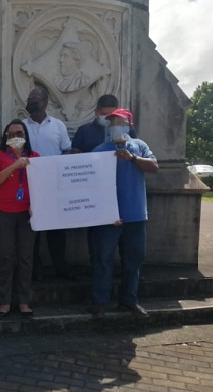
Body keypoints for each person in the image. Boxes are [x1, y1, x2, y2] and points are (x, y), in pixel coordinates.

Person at [88, 109, 159, 319]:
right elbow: (91, 185)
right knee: (103, 259)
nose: (114, 126)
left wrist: (132, 158)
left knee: (134, 260)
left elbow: (155, 166)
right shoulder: (100, 149)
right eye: (111, 123)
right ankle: (100, 301)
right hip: (109, 216)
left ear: (129, 126)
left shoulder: (140, 146)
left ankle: (129, 300)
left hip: (136, 214)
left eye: (119, 122)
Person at [0, 119, 40, 317]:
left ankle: (24, 301)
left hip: (27, 214)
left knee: (26, 257)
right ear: (6, 138)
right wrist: (14, 166)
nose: (16, 137)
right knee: (6, 256)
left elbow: (43, 187)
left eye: (20, 133)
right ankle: (4, 301)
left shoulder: (35, 157)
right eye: (11, 134)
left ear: (26, 136)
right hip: (3, 213)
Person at [22, 87, 75, 280]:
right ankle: (35, 268)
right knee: (31, 228)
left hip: (54, 185)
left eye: (34, 99)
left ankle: (60, 266)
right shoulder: (21, 126)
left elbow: (66, 150)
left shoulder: (58, 126)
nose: (31, 102)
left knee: (56, 229)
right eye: (29, 98)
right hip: (28, 185)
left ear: (45, 102)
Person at [71, 95, 138, 154]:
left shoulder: (128, 130)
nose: (107, 118)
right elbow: (75, 153)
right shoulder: (84, 130)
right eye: (103, 114)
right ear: (96, 112)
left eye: (111, 115)